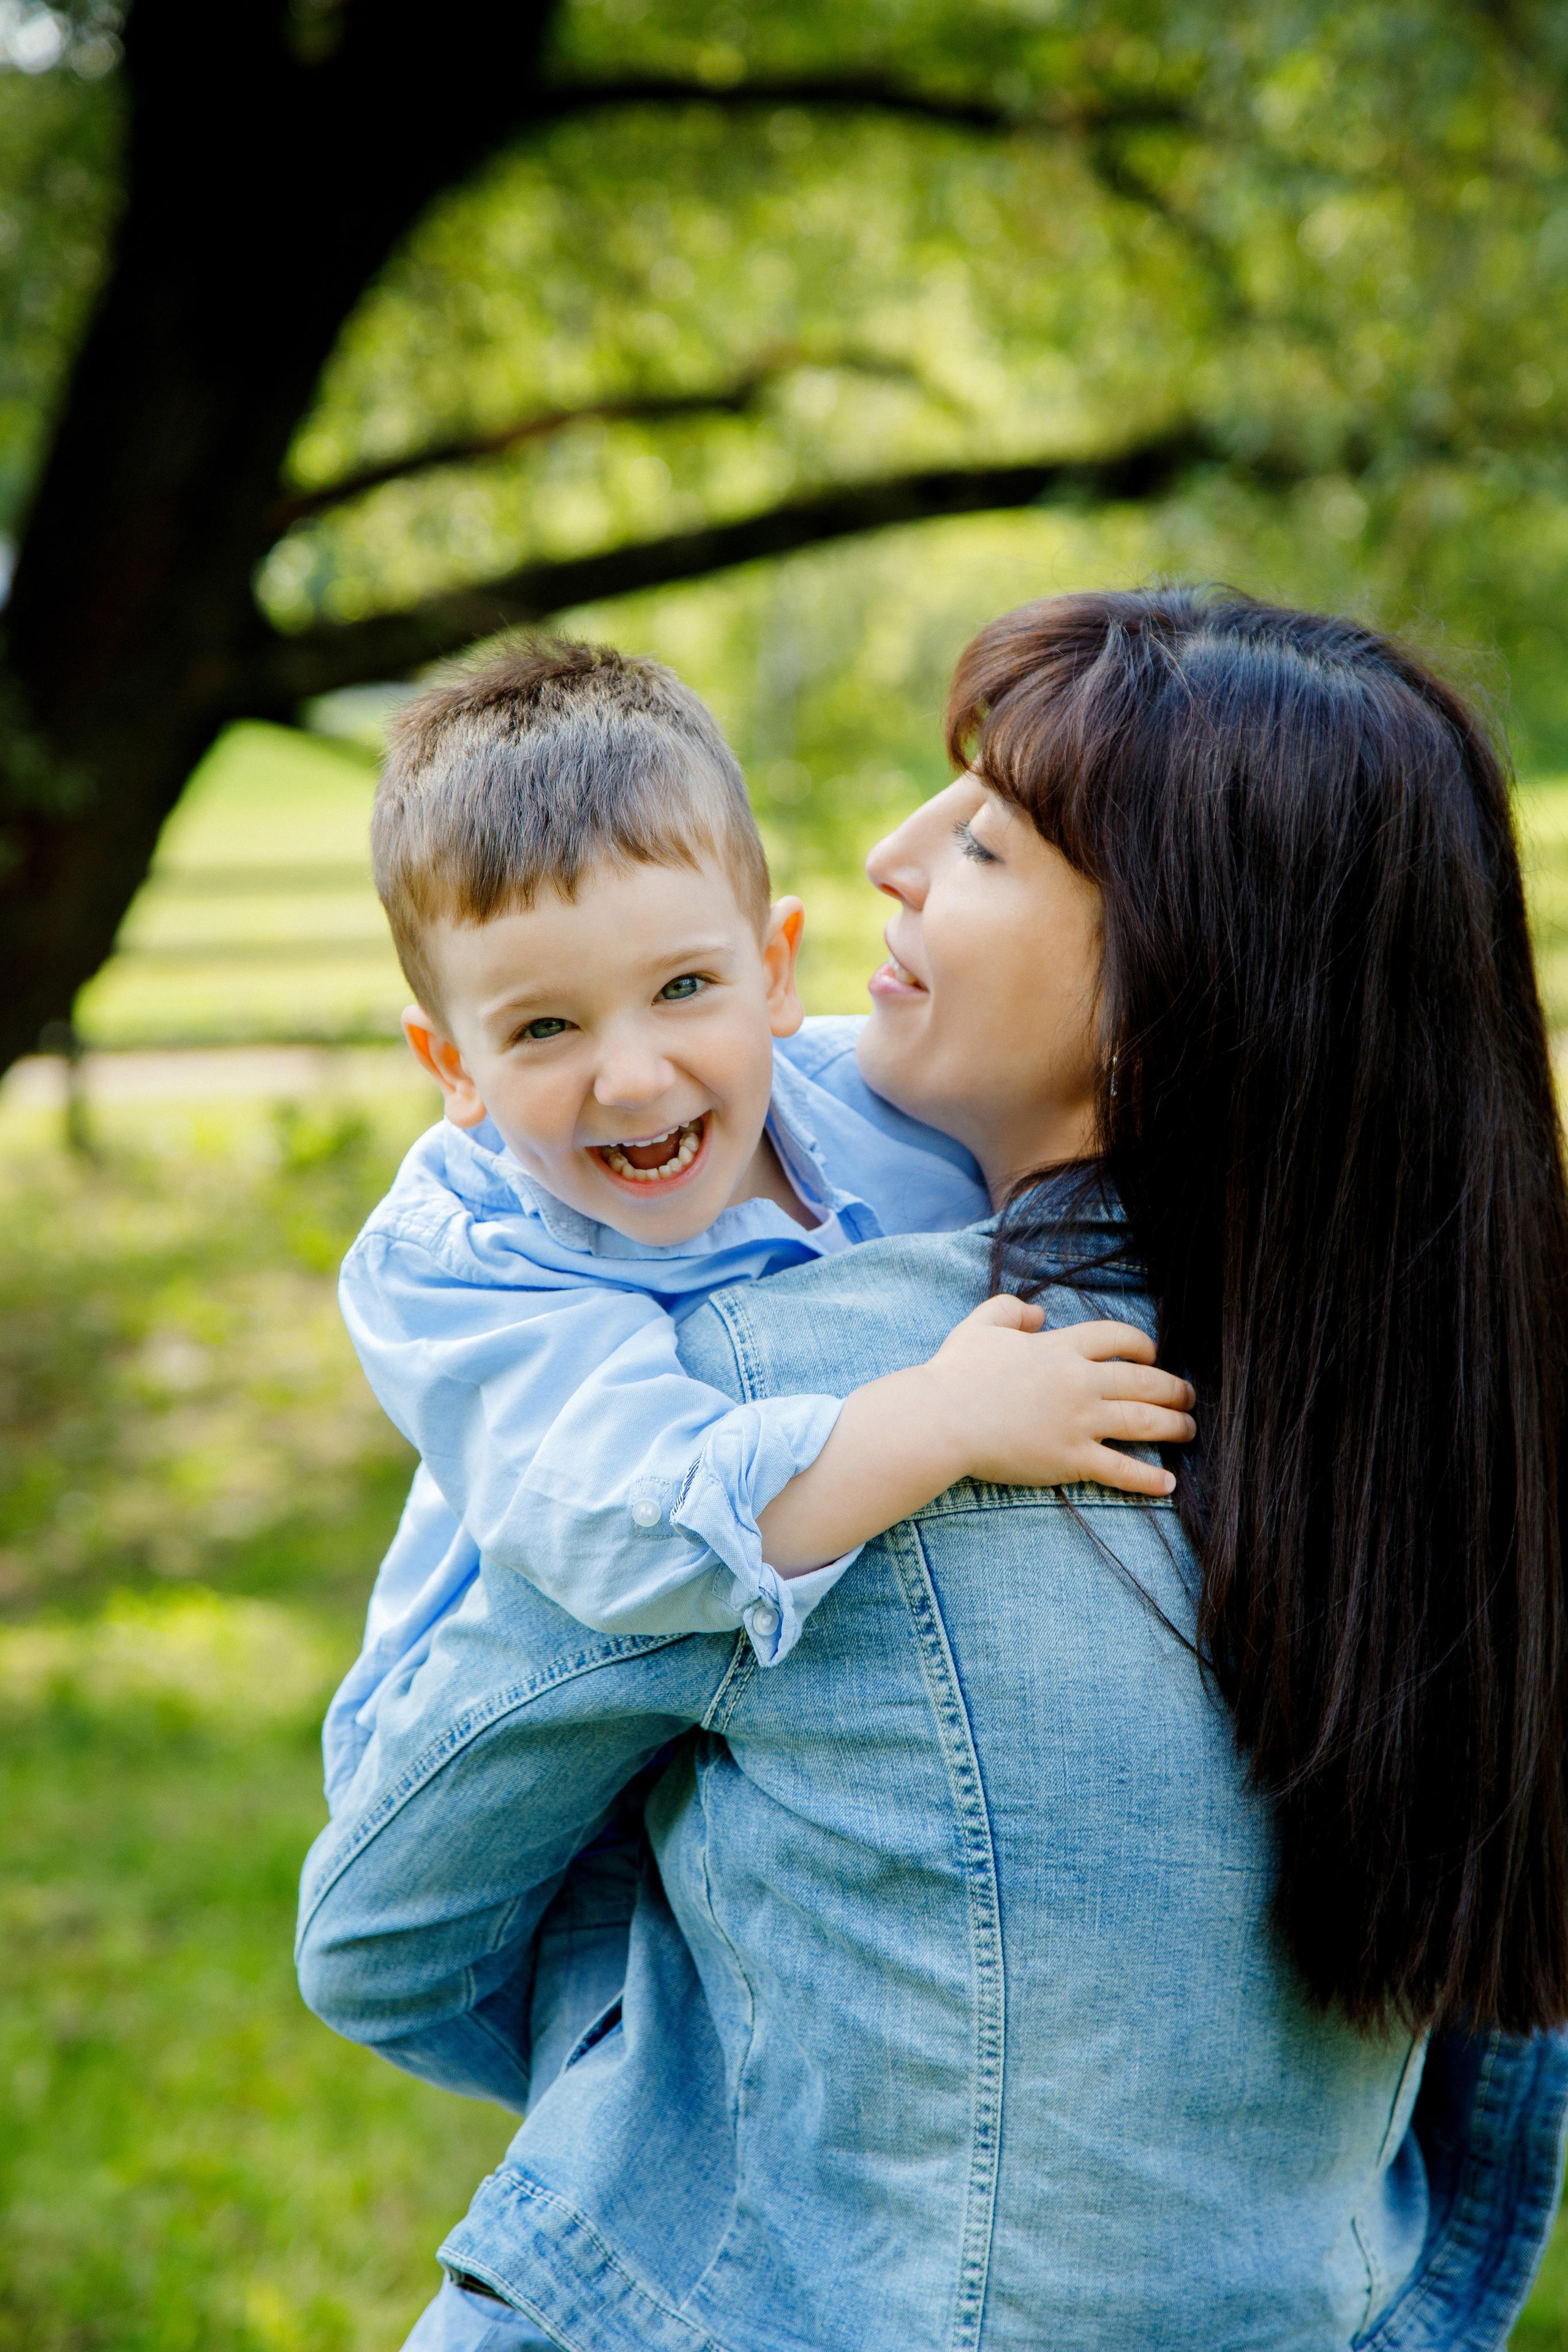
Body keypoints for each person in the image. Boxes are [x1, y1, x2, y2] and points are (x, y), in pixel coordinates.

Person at [298, 588, 1568, 2351]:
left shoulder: (812, 1401)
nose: (895, 853)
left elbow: (381, 1935)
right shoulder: (1450, 1447)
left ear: (1171, 970)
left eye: (984, 841)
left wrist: (702, 2028)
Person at [325, 636, 1193, 1807]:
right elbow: (644, 1534)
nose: (631, 1078)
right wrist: (947, 1420)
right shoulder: (459, 1259)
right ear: (453, 1064)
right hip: (512, 1779)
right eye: (544, 1029)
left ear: (774, 970)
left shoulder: (890, 1114)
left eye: (683, 989)